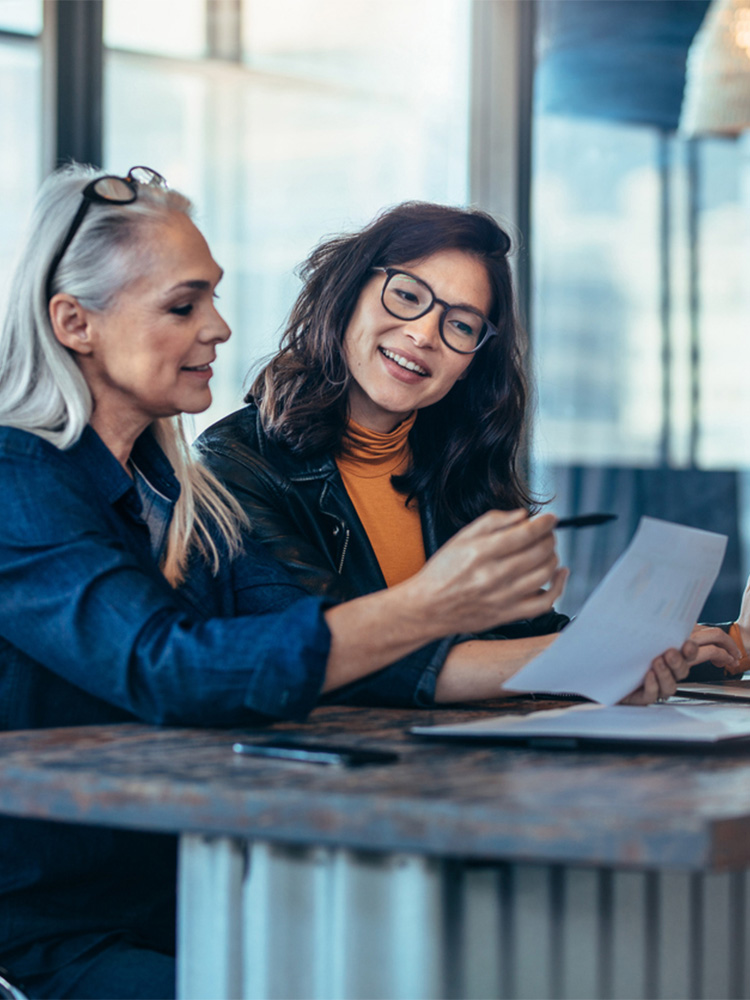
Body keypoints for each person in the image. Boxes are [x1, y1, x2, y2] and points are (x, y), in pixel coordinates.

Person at [0, 165, 577, 1000]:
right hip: (49, 937)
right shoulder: (17, 476)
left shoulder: (177, 494)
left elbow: (313, 639)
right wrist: (430, 604)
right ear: (74, 322)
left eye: (214, 299)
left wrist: (607, 661)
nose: (221, 329)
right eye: (183, 306)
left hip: (185, 892)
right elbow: (172, 668)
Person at [198, 201, 738, 701]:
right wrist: (588, 661)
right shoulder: (234, 464)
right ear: (346, 294)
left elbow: (519, 636)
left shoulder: (456, 464)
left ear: (473, 360)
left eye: (460, 324)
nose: (424, 335)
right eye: (407, 296)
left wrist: (682, 648)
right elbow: (333, 657)